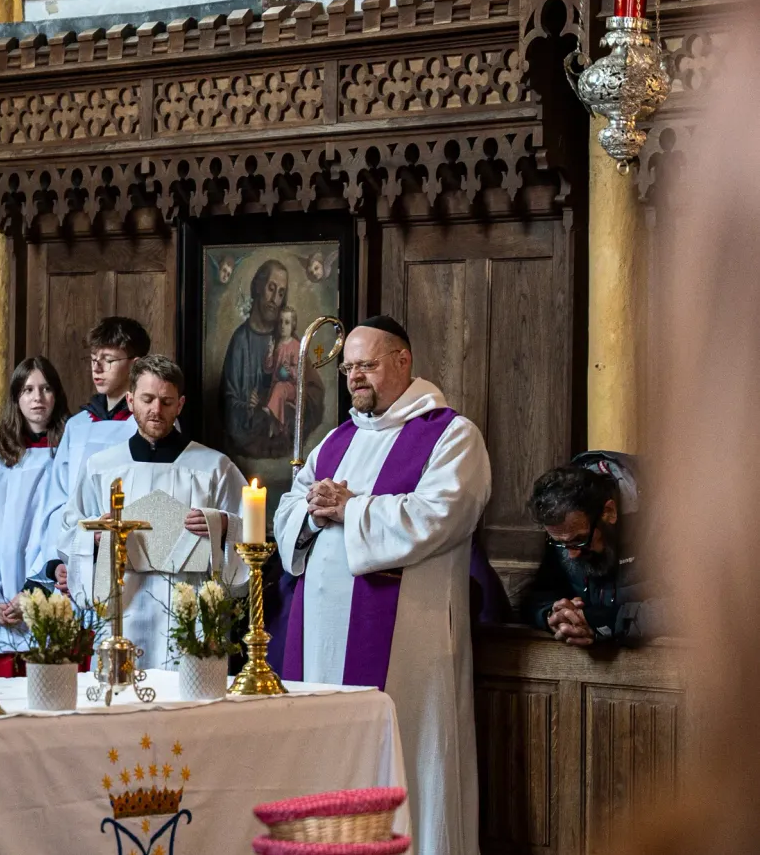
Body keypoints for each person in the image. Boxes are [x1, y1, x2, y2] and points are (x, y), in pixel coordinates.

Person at [271, 315, 491, 855]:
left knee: (406, 753)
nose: (354, 379)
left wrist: (353, 508)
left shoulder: (451, 434)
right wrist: (314, 512)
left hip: (407, 646)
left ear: (403, 361)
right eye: (348, 368)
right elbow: (288, 507)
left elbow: (442, 514)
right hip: (321, 640)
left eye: (366, 365)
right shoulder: (336, 440)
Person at [63, 355, 249, 670]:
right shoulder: (102, 467)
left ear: (180, 404)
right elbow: (71, 527)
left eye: (166, 401)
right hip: (124, 602)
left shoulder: (214, 467)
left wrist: (220, 526)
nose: (156, 410)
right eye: (147, 399)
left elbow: (248, 532)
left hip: (191, 603)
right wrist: (94, 536)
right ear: (130, 399)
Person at [0, 357, 71, 673]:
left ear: (57, 395)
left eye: (45, 389)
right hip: (3, 602)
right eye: (28, 390)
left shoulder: (69, 449)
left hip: (54, 591)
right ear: (16, 398)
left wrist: (36, 591)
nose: (37, 399)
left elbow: (66, 523)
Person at [36, 316, 151, 588]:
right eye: (93, 359)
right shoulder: (77, 427)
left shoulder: (148, 424)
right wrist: (58, 560)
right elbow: (58, 500)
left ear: (135, 365)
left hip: (133, 559)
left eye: (109, 360)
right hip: (77, 556)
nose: (97, 368)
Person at [524, 455, 664, 646]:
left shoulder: (666, 519)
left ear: (609, 512)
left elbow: (695, 607)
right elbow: (539, 595)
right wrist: (553, 615)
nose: (572, 555)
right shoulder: (565, 526)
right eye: (562, 544)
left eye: (580, 540)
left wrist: (614, 620)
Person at [220, 259, 323, 459]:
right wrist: (249, 406)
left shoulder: (290, 342)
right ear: (258, 287)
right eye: (271, 288)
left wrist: (295, 405)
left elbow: (314, 393)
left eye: (281, 293)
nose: (275, 299)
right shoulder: (241, 341)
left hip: (283, 447)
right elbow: (226, 403)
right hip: (246, 453)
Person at [263, 305, 301, 436]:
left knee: (279, 388)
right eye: (280, 322)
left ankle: (271, 412)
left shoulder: (296, 346)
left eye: (287, 322)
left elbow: (299, 372)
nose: (283, 326)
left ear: (293, 325)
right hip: (276, 385)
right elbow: (268, 369)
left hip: (291, 387)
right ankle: (273, 427)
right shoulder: (276, 344)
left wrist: (289, 370)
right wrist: (269, 353)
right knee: (276, 388)